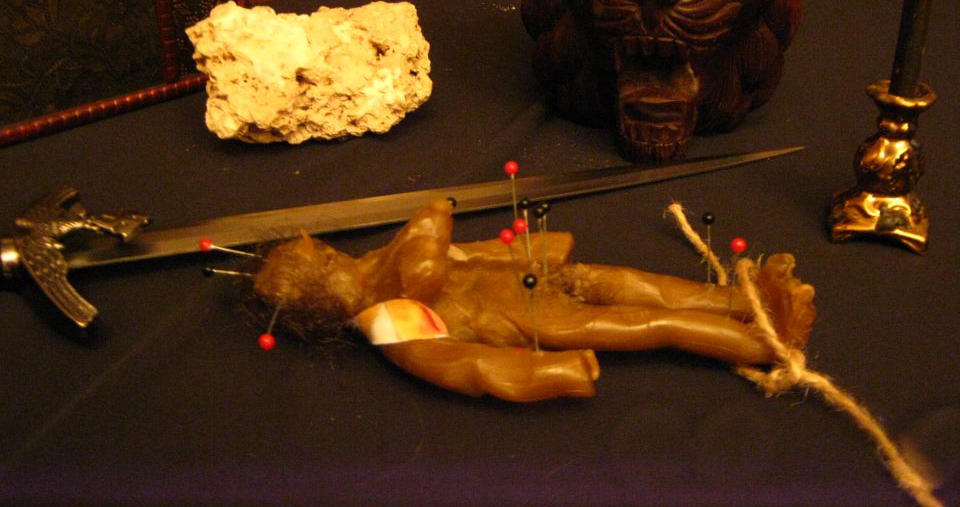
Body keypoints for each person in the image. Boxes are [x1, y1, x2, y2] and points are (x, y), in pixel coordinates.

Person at [253, 199, 815, 402]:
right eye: (320, 258)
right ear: (320, 297)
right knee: (653, 324)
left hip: (533, 274)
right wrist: (552, 373)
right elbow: (469, 365)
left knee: (643, 284)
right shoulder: (390, 323)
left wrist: (529, 250)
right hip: (532, 316)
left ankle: (741, 298)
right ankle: (765, 343)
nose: (330, 250)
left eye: (321, 246)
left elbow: (461, 254)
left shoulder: (378, 258)